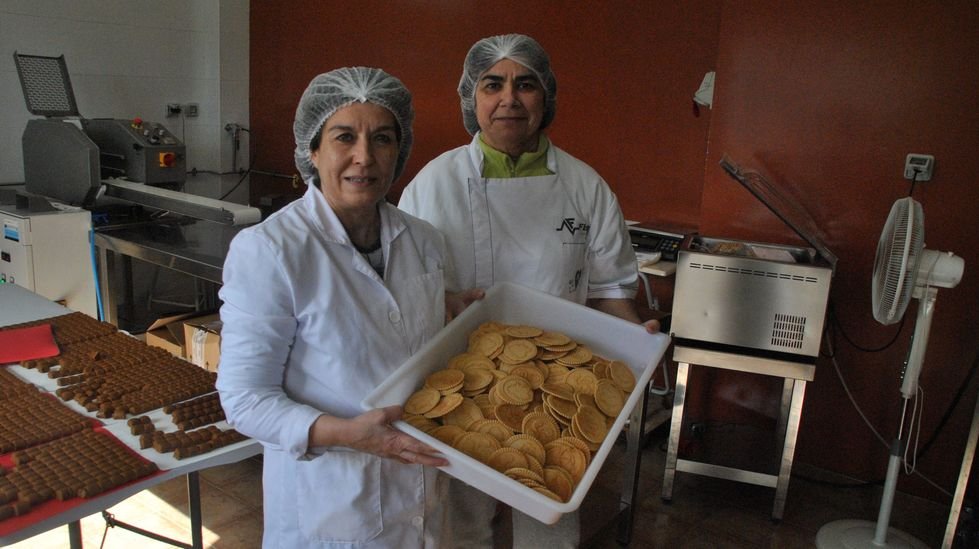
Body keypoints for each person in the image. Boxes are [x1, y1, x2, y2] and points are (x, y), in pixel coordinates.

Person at [399, 34, 658, 549]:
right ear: (472, 98)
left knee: (551, 528)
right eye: (492, 84)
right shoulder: (431, 186)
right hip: (460, 389)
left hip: (559, 394)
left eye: (526, 85)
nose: (509, 99)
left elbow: (609, 291)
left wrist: (636, 343)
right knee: (459, 527)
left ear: (547, 98)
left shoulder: (586, 189)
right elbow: (405, 294)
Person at [218, 67, 473, 548]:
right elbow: (245, 399)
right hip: (330, 505)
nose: (364, 157)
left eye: (382, 139)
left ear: (400, 151)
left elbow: (390, 325)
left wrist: (449, 309)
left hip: (419, 497)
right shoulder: (271, 250)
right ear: (313, 151)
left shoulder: (424, 241)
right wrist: (348, 435)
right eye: (344, 137)